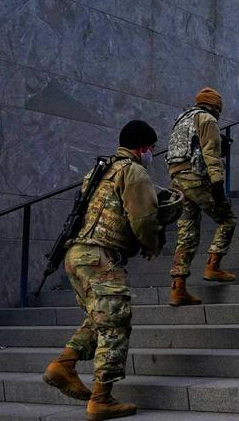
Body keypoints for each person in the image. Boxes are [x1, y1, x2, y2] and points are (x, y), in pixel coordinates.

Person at [42, 119, 162, 420]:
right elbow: (144, 217)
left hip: (77, 254)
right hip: (100, 257)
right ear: (144, 148)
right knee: (115, 324)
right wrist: (151, 244)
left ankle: (64, 365)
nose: (153, 155)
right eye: (153, 149)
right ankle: (102, 399)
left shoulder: (99, 171)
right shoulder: (134, 171)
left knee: (100, 319)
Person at [165, 88, 237, 306]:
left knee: (186, 234)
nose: (219, 112)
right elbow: (210, 152)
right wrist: (217, 182)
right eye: (219, 108)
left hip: (177, 180)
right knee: (227, 220)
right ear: (215, 106)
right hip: (197, 179)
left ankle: (178, 288)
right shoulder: (207, 119)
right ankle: (213, 266)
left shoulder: (182, 119)